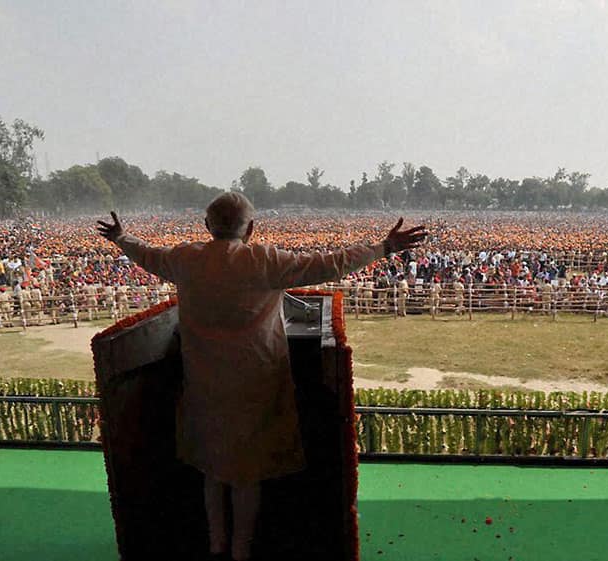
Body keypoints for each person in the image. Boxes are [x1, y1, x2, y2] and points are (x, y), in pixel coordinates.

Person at [97, 193, 426, 561]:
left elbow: (146, 254)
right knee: (247, 472)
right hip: (256, 382)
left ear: (207, 227)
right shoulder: (264, 260)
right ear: (251, 228)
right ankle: (240, 550)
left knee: (211, 466)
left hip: (203, 382)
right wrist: (383, 247)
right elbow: (330, 264)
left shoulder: (184, 259)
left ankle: (216, 544)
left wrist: (121, 237)